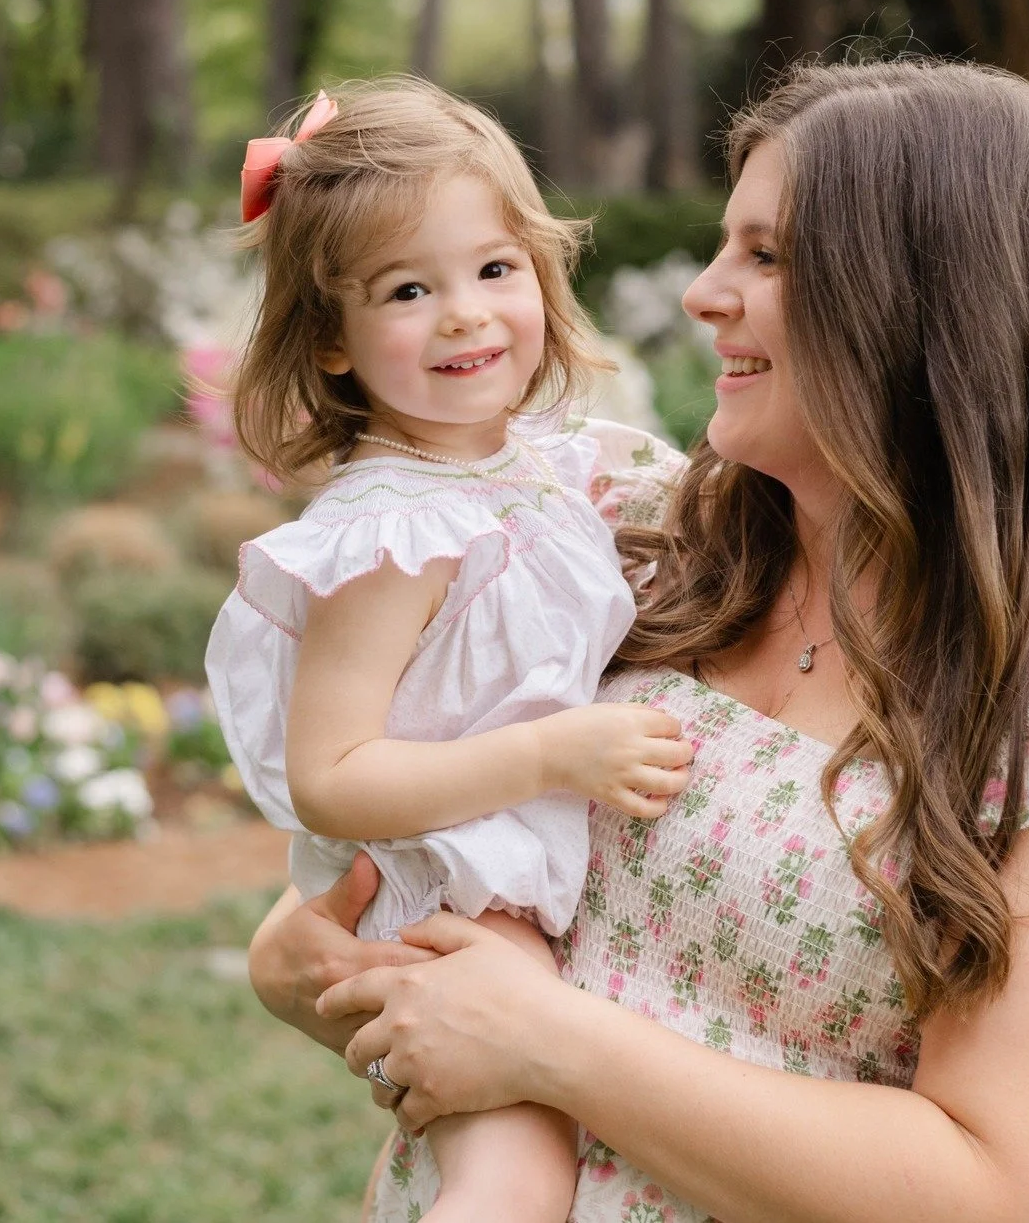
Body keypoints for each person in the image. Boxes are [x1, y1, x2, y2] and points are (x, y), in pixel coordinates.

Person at [248, 58, 1029, 1223]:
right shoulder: (645, 543)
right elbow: (383, 882)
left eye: (766, 256)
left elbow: (998, 1190)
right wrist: (300, 962)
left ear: (926, 298)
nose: (702, 294)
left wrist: (549, 1043)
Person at [206, 78, 693, 1223]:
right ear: (329, 340)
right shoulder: (393, 530)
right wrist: (552, 756)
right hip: (450, 909)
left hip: (509, 902)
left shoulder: (535, 464)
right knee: (514, 1183)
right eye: (407, 290)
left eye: (493, 270)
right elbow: (334, 778)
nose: (466, 314)